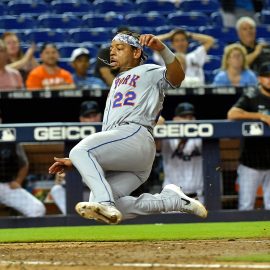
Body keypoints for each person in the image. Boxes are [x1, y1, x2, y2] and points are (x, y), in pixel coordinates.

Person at [48, 30, 207, 225]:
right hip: (132, 155)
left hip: (135, 134)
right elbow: (108, 134)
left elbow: (177, 78)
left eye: (119, 48)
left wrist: (161, 48)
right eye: (112, 48)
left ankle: (105, 201)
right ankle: (170, 200)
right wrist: (79, 161)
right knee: (97, 203)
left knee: (81, 153)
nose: (112, 52)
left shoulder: (148, 70)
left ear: (136, 52)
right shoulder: (115, 82)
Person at [227, 61, 270, 210]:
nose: (269, 80)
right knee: (246, 205)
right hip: (250, 162)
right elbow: (232, 114)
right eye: (266, 76)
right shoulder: (252, 95)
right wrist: (261, 116)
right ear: (259, 79)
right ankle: (245, 235)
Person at [50, 100, 102, 214]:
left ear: (100, 116)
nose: (92, 120)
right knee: (57, 189)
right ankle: (75, 217)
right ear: (81, 119)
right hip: (79, 189)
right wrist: (61, 175)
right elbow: (66, 165)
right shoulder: (73, 139)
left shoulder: (107, 134)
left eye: (94, 116)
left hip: (100, 188)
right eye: (88, 117)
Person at [0, 109, 46, 217]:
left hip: (6, 186)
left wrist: (18, 181)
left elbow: (24, 164)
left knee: (37, 209)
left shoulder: (10, 138)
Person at [156, 103, 204, 203]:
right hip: (172, 197)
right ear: (175, 119)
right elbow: (156, 142)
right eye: (183, 117)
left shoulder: (201, 137)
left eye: (190, 117)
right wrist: (158, 122)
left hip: (198, 196)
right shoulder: (167, 138)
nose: (187, 120)